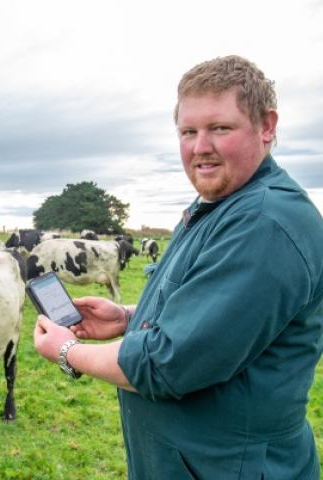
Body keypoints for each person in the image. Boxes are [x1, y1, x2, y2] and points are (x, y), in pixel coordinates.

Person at [34, 55, 323, 479]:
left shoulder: (264, 222)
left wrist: (67, 351)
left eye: (220, 128)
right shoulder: (218, 207)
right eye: (188, 131)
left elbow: (167, 364)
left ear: (266, 126)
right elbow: (212, 317)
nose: (200, 146)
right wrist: (129, 317)